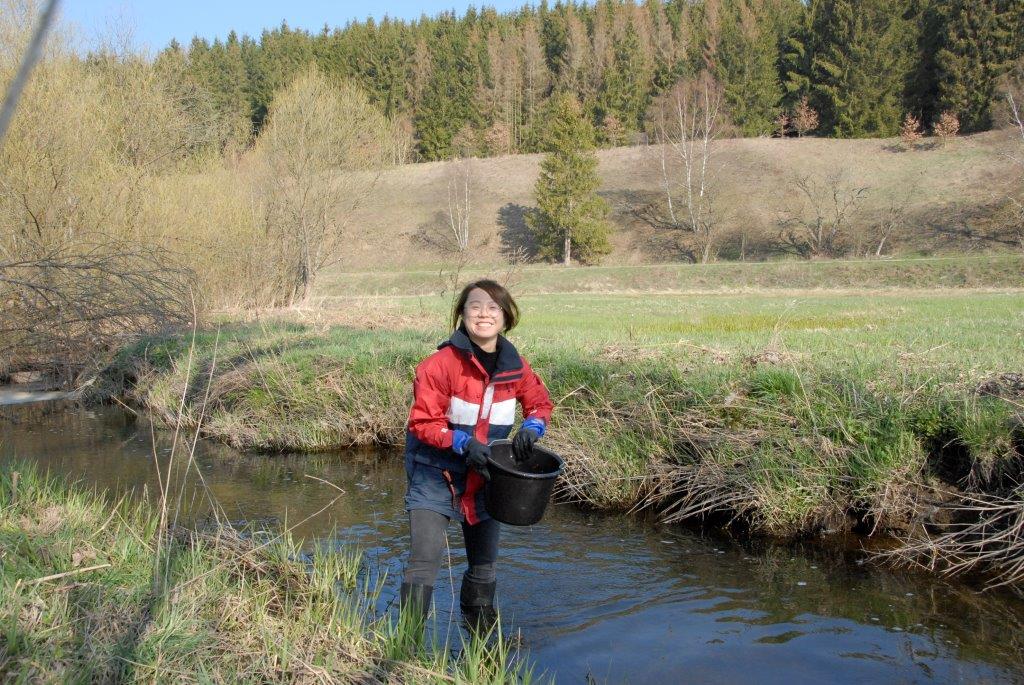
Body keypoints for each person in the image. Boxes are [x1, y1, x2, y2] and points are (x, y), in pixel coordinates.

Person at [401, 279, 554, 631]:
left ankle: (482, 652)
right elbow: (423, 423)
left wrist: (532, 428)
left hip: (486, 478)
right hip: (434, 475)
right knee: (423, 563)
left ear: (506, 317)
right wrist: (461, 442)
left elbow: (539, 404)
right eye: (475, 306)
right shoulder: (438, 365)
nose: (483, 313)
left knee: (484, 568)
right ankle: (404, 649)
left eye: (493, 307)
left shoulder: (517, 366)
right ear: (462, 315)